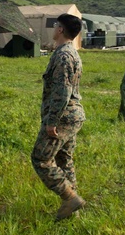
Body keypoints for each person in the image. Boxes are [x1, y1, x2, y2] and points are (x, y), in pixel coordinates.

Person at [31, 13, 86, 221]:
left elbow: (62, 92)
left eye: (55, 25)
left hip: (63, 117)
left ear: (61, 30)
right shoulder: (70, 52)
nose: (53, 28)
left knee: (41, 158)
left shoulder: (63, 56)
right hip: (73, 115)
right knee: (64, 159)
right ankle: (74, 210)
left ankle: (70, 197)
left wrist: (51, 121)